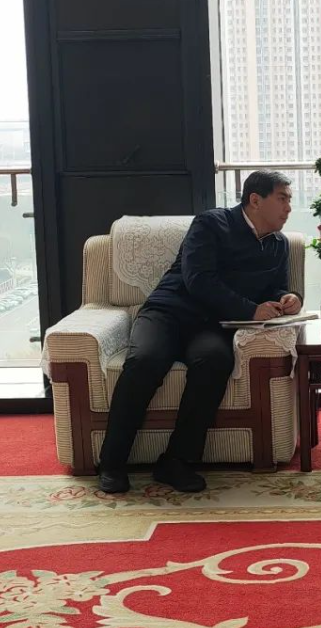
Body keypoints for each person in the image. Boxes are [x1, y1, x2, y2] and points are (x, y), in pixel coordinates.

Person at [97, 170, 302, 494]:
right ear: (255, 200)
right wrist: (250, 310)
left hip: (212, 325)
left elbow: (276, 287)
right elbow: (199, 280)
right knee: (146, 361)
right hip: (168, 312)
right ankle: (111, 462)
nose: (289, 207)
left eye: (289, 200)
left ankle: (176, 462)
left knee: (215, 361)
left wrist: (289, 298)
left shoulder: (279, 245)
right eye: (282, 199)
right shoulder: (211, 223)